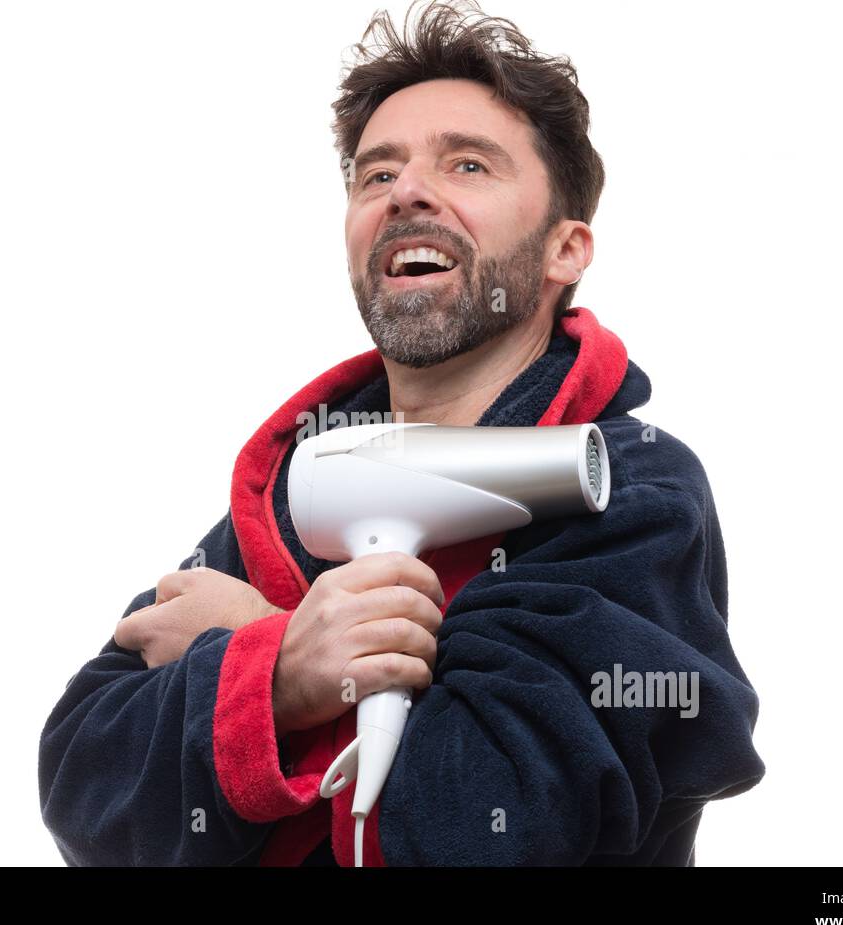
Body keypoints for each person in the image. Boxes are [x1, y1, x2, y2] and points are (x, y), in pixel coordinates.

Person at [38, 0, 765, 867]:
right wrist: (277, 668)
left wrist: (268, 656)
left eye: (467, 164)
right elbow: (83, 783)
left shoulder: (626, 489)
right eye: (375, 175)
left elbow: (489, 825)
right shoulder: (289, 502)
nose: (408, 192)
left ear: (564, 250)